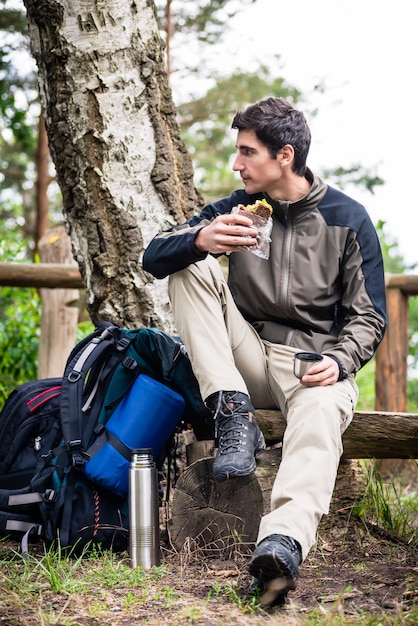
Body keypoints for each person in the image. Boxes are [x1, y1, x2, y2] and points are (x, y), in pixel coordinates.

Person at [142, 97, 387, 605]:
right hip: (245, 357)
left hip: (313, 366)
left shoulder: (348, 219)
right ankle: (234, 415)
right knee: (190, 262)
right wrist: (202, 238)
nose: (236, 164)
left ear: (285, 155)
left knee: (321, 412)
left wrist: (340, 361)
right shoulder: (234, 210)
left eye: (247, 152)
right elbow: (154, 254)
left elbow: (370, 315)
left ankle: (281, 546)